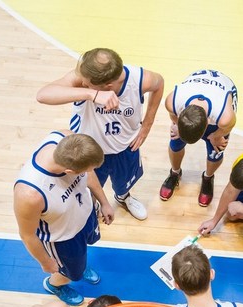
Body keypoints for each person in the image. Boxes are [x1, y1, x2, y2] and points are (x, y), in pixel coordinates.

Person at [36, 47, 164, 220]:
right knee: (89, 189)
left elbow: (159, 83)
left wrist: (147, 125)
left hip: (125, 145)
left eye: (88, 84)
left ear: (108, 85)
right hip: (90, 150)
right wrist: (91, 93)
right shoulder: (83, 80)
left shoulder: (140, 79)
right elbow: (43, 95)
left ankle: (123, 197)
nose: (83, 83)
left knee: (123, 183)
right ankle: (94, 206)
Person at [14, 130, 115, 306]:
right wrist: (45, 262)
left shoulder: (67, 139)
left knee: (81, 259)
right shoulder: (30, 194)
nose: (91, 173)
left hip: (85, 216)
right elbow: (27, 235)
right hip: (63, 239)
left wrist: (104, 202)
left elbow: (88, 172)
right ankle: (55, 285)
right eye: (87, 170)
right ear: (69, 171)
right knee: (69, 274)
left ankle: (79, 266)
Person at [160, 69, 238, 207]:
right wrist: (176, 124)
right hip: (197, 92)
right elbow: (173, 115)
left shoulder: (224, 116)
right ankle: (175, 173)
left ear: (208, 123)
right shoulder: (173, 101)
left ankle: (208, 177)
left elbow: (229, 126)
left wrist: (216, 136)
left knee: (216, 150)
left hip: (223, 89)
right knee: (174, 143)